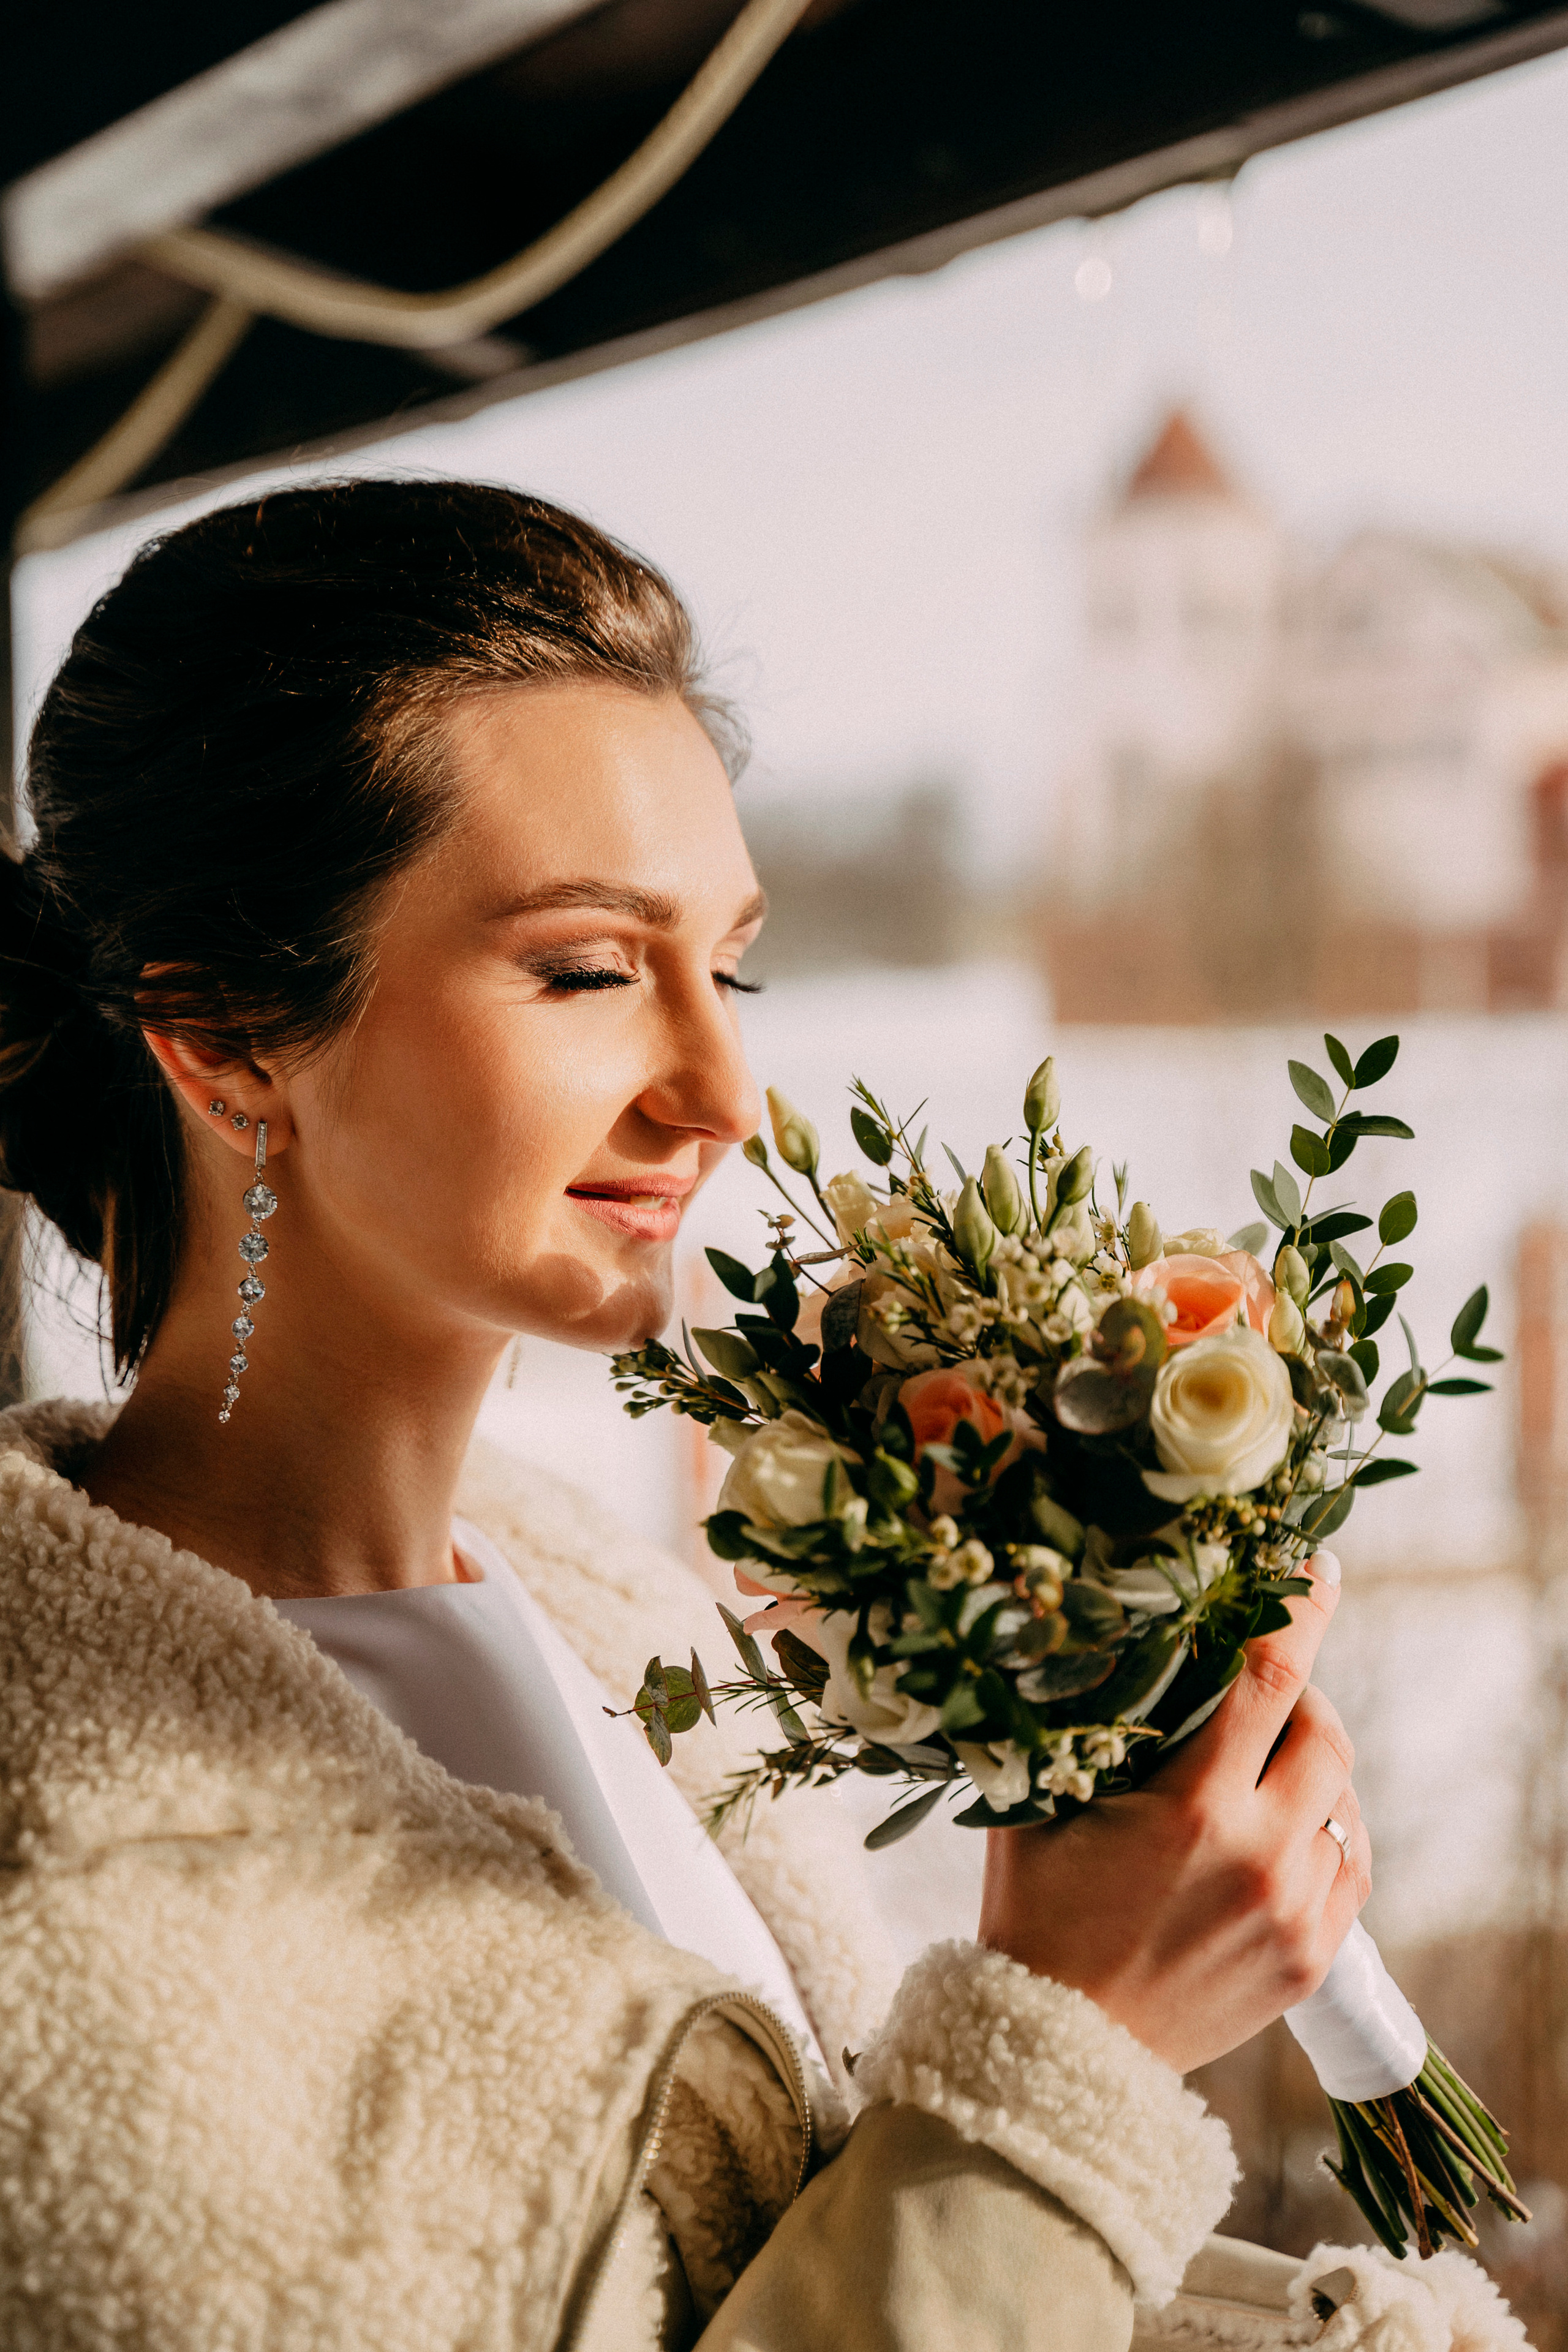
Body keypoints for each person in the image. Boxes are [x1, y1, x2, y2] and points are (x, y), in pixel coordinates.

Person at [0, 481, 1372, 2351]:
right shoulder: (82, 1911)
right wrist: (1077, 2051)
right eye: (584, 970)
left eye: (729, 966)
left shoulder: (622, 1625)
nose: (722, 1086)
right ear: (224, 1031)